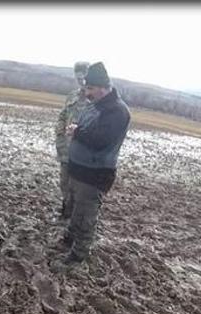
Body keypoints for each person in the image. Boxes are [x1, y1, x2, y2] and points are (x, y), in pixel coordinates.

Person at [61, 62, 130, 264]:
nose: (87, 92)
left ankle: (78, 255)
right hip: (78, 171)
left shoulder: (117, 111)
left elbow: (102, 141)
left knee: (85, 216)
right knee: (75, 209)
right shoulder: (95, 106)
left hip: (93, 176)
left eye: (90, 89)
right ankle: (70, 238)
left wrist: (76, 132)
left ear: (102, 87)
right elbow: (86, 128)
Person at [54, 61, 90, 219]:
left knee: (78, 186)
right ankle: (65, 209)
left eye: (83, 78)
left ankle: (74, 215)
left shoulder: (95, 101)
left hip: (82, 151)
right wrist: (60, 131)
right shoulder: (72, 95)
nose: (81, 82)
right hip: (66, 149)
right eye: (78, 78)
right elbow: (63, 114)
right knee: (64, 181)